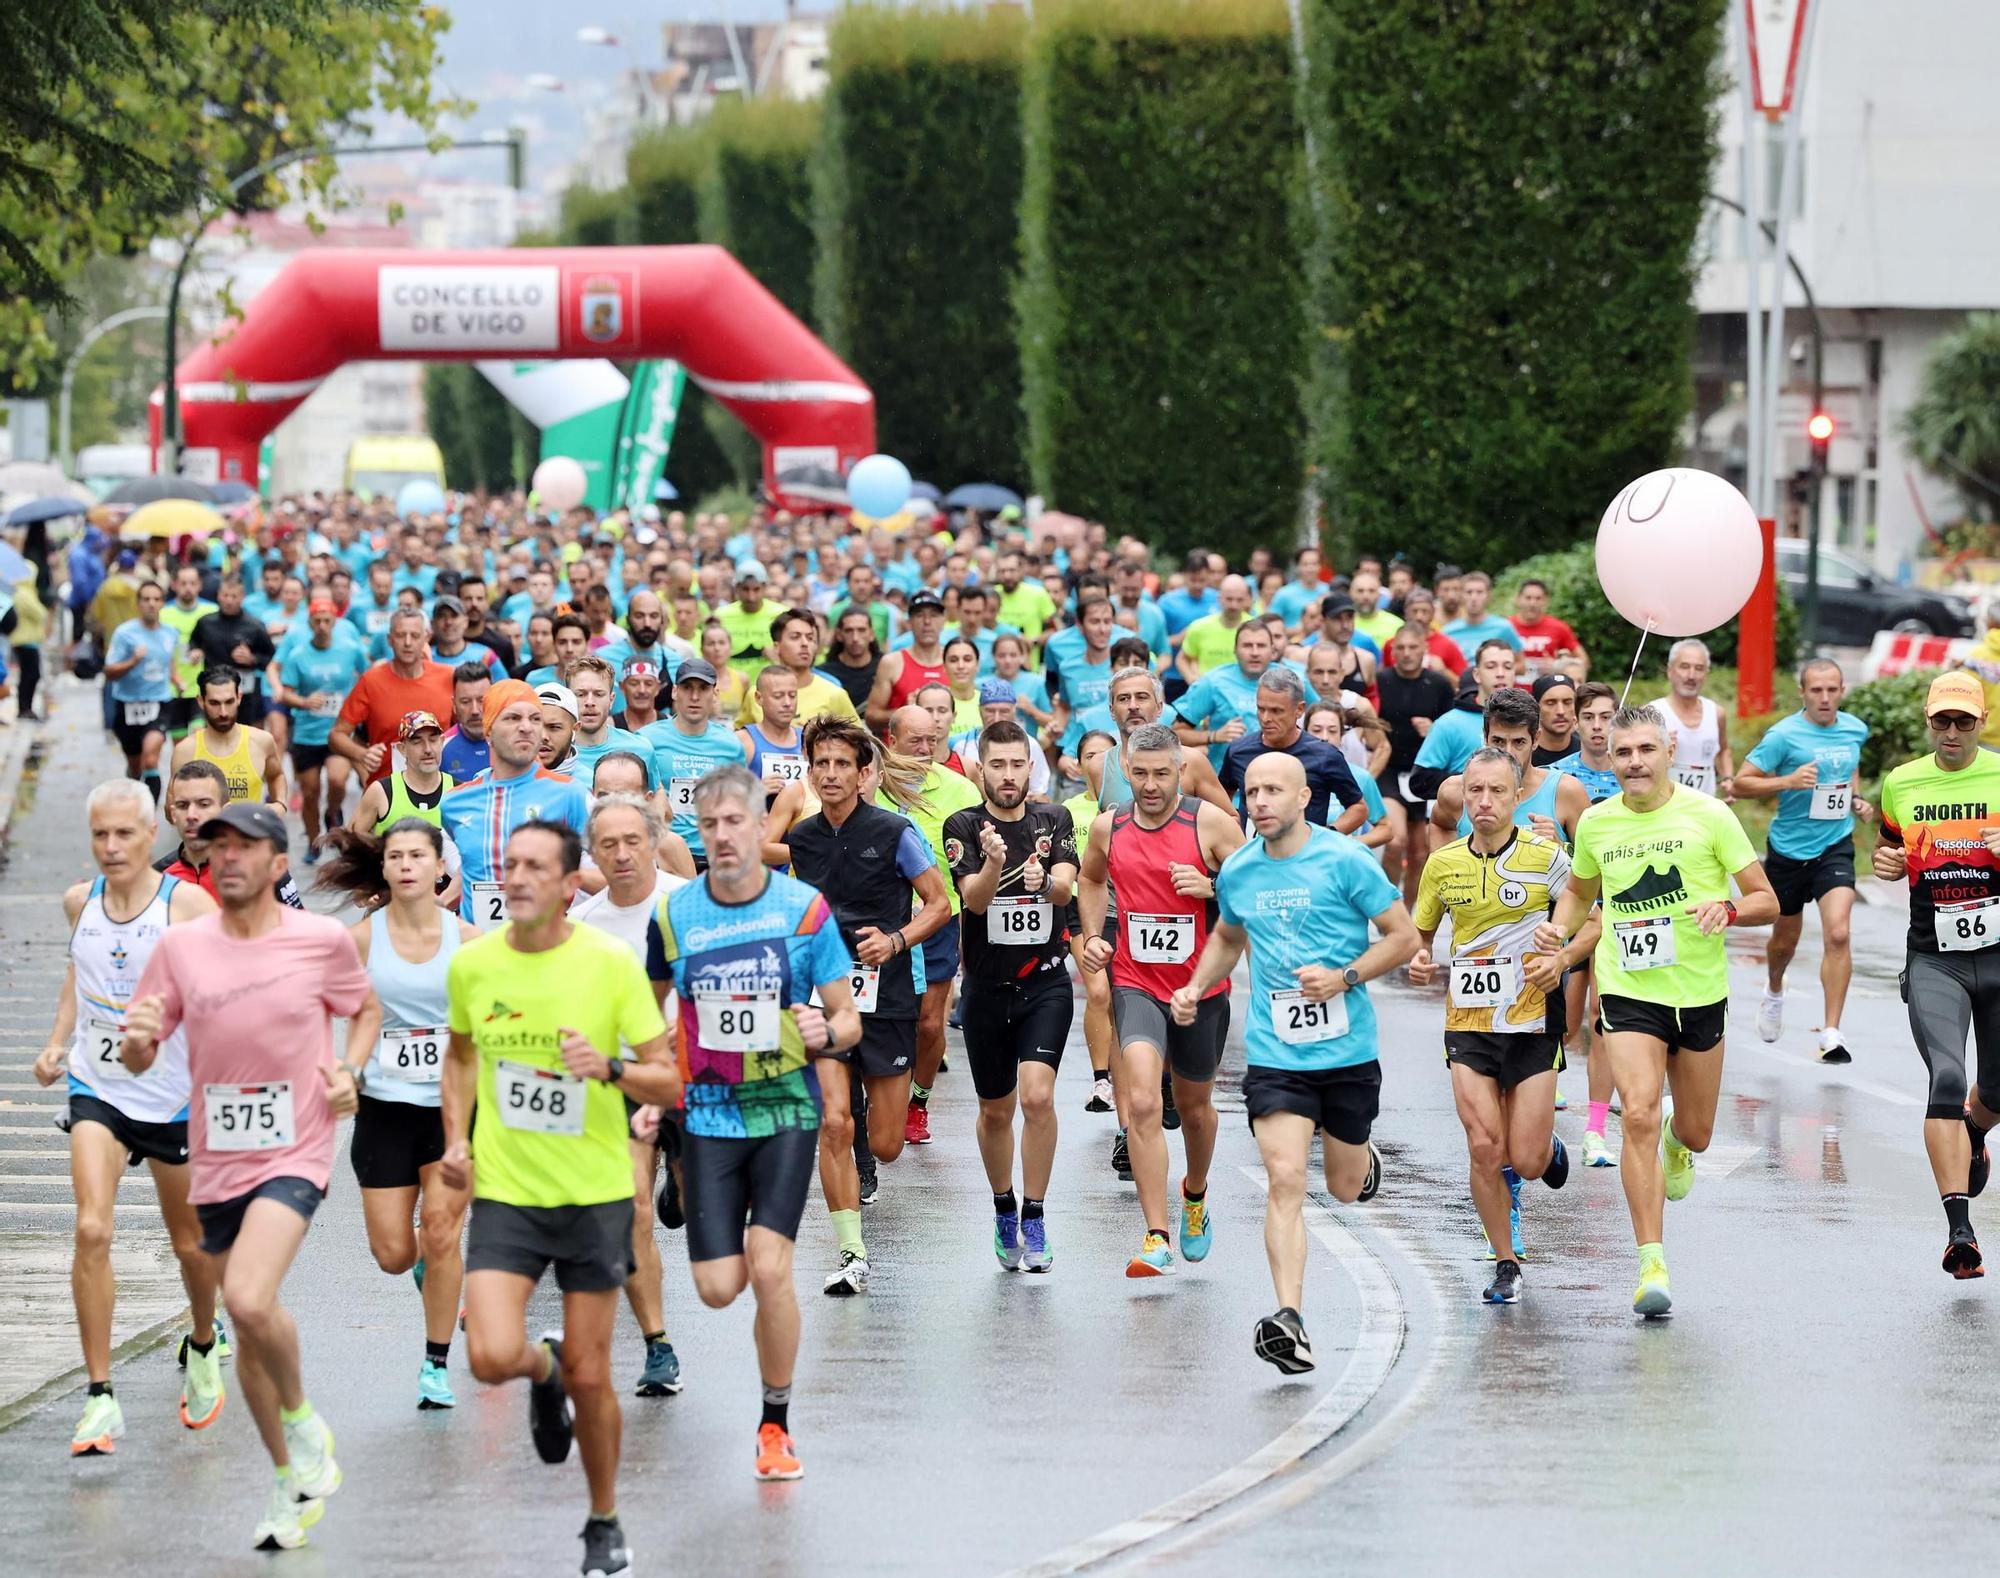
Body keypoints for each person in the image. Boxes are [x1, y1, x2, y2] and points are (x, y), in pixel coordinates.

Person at [121, 802, 377, 1551]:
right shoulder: (182, 947)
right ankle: (287, 1479)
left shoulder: (320, 941)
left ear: (276, 864)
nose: (227, 858)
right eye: (216, 846)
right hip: (216, 1152)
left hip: (295, 1145)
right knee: (252, 1320)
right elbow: (145, 1044)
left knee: (246, 1295)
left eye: (244, 847)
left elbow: (363, 1010)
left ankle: (301, 1423)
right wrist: (137, 1043)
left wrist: (350, 1071)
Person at [440, 820, 679, 1578]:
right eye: (510, 865)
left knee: (592, 1371)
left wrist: (605, 1066)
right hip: (508, 1193)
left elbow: (666, 1078)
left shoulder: (610, 964)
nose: (516, 878)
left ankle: (603, 1517)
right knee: (486, 1358)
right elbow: (460, 1057)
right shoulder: (473, 965)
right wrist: (457, 1140)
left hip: (595, 1193)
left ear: (572, 882)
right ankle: (537, 1373)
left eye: (536, 867)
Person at [645, 767, 861, 1482]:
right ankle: (680, 1169)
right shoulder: (675, 915)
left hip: (783, 1110)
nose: (724, 836)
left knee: (771, 1270)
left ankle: (775, 1424)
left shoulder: (804, 910)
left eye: (736, 821)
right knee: (715, 1288)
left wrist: (821, 1031)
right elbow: (651, 1017)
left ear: (756, 822)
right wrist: (651, 1086)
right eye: (709, 826)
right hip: (706, 1114)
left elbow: (848, 1020)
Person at [1172, 753, 1418, 1372]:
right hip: (1277, 1056)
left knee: (1340, 1186)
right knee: (1285, 1180)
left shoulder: (1346, 860)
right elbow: (1228, 937)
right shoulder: (1240, 871)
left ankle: (1361, 1160)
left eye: (1273, 790)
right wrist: (1196, 986)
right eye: (1252, 790)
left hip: (1346, 1052)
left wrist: (1345, 977)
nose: (1260, 801)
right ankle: (1290, 1318)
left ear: (1304, 797)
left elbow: (1404, 937)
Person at [1536, 707, 1778, 1316]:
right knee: (1637, 1112)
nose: (1635, 762)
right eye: (1623, 753)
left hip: (1698, 993)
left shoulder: (1710, 815)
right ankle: (1651, 1263)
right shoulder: (1597, 822)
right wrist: (1557, 934)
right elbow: (1579, 890)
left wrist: (1728, 909)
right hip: (1627, 988)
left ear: (1670, 750)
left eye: (1646, 749)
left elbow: (1766, 900)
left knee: (1693, 1130)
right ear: (1610, 759)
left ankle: (1678, 1139)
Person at [34, 780, 224, 1456]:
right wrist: (59, 1041)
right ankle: (98, 1397)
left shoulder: (188, 906)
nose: (111, 847)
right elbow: (77, 975)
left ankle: (204, 1339)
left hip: (171, 1094)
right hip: (98, 1085)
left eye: (123, 835)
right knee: (91, 1227)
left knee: (190, 1245)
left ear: (152, 836)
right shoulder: (78, 902)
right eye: (100, 835)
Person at [1410, 748, 1587, 1300]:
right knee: (1484, 1145)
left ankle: (1546, 1148)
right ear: (1464, 798)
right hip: (1469, 1021)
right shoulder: (1443, 864)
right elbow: (1419, 934)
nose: (1484, 802)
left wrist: (1560, 956)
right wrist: (1419, 957)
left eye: (1497, 792)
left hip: (1534, 1019)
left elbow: (1594, 918)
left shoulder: (1546, 858)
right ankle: (1505, 1262)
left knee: (1526, 1160)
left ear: (1516, 797)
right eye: (1475, 792)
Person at [317, 820, 479, 1410]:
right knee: (392, 1254)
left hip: (453, 1112)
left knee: (441, 1232)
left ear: (442, 870)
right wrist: (337, 1070)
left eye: (419, 855)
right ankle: (432, 1268)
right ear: (382, 870)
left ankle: (435, 1364)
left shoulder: (470, 940)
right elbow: (326, 1008)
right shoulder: (359, 940)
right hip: (384, 1107)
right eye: (396, 856)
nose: (407, 865)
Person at [786, 717, 952, 1292]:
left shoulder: (894, 830)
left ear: (863, 776)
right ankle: (852, 1252)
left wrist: (896, 940)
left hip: (887, 997)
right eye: (821, 764)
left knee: (883, 1141)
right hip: (823, 998)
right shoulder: (802, 839)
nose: (830, 774)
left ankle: (864, 1141)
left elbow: (938, 904)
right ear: (809, 772)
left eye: (841, 765)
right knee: (832, 1121)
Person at [1078, 725, 1245, 1276]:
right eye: (1140, 774)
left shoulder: (1211, 823)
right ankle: (1156, 1234)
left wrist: (1213, 887)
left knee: (1195, 1110)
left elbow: (1259, 886)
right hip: (1135, 982)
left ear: (1181, 773)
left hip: (1200, 989)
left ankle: (1194, 1195)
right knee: (1145, 1103)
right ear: (1126, 771)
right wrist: (1096, 934)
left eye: (1162, 774)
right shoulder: (1110, 826)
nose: (1150, 786)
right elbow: (1090, 879)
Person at [1872, 671, 2000, 1279]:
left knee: (1996, 1090)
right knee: (1947, 1075)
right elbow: (1889, 850)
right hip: (1935, 955)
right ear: (1928, 721)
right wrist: (1886, 863)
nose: (1952, 732)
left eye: (1964, 722)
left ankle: (1976, 1128)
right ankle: (1959, 1231)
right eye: (1941, 721)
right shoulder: (1902, 782)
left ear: (1981, 723)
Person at [943, 721, 1081, 1273]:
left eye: (1016, 765)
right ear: (980, 770)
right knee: (995, 1111)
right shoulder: (964, 825)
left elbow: (1067, 886)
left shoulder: (1055, 818)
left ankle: (1036, 1213)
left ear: (1031, 768)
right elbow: (974, 903)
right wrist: (997, 862)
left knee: (1038, 1097)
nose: (1007, 775)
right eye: (996, 765)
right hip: (984, 988)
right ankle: (1003, 1207)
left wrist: (1042, 883)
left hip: (1045, 983)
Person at [570, 794, 690, 1399]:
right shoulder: (586, 924)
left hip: (696, 1076)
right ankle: (658, 1345)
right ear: (592, 852)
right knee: (632, 1209)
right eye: (607, 844)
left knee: (689, 1203)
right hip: (627, 1082)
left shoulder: (685, 904)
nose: (621, 855)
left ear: (654, 842)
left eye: (632, 841)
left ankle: (685, 1183)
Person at [1734, 658, 1872, 1063]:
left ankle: (1831, 1031)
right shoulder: (1783, 736)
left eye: (1832, 690)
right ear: (1803, 693)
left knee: (1840, 933)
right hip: (1789, 851)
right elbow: (1742, 783)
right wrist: (1787, 782)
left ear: (1842, 690)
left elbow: (1850, 770)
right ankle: (1775, 988)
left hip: (1835, 845)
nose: (1825, 698)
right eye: (1817, 690)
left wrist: (1857, 799)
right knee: (1784, 941)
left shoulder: (1855, 729)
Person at [880, 704, 983, 1143]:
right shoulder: (872, 784)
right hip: (882, 920)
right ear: (892, 742)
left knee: (928, 1022)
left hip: (940, 917)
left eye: (932, 741)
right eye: (914, 741)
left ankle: (918, 1101)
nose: (925, 750)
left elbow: (976, 854)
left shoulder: (959, 789)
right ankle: (880, 1095)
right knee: (884, 1018)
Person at [440, 680, 590, 928]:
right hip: (477, 950)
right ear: (488, 731)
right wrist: (443, 901)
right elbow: (472, 863)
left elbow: (606, 869)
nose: (526, 728)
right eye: (512, 718)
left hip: (543, 949)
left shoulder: (570, 793)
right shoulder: (454, 802)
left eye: (534, 719)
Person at [1548, 680, 1622, 1165]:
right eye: (1589, 718)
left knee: (1605, 1018)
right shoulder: (1557, 780)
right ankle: (1541, 1097)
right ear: (1576, 723)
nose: (1598, 727)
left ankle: (1595, 1129)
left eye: (1607, 717)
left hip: (1623, 913)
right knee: (1568, 1021)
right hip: (1575, 908)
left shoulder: (1634, 773)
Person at [1432, 686, 1589, 847]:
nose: (1508, 753)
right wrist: (1445, 865)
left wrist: (1560, 848)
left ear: (1535, 739)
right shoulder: (1455, 791)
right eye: (1498, 741)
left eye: (1518, 742)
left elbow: (1593, 864)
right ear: (1485, 738)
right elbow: (1440, 824)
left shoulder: (1566, 792)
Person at [1219, 667, 1367, 832]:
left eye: (1276, 711)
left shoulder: (1325, 756)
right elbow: (1222, 797)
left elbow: (1358, 808)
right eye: (1261, 709)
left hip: (1306, 856)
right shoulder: (1238, 751)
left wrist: (1325, 837)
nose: (1266, 718)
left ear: (1299, 709)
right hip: (1252, 854)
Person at [277, 601, 372, 854]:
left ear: (335, 622)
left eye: (327, 621)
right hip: (308, 734)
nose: (322, 626)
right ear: (309, 623)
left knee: (337, 780)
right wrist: (304, 702)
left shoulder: (351, 649)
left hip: (339, 732)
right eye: (317, 621)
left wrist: (358, 706)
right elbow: (285, 693)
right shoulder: (298, 655)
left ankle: (332, 813)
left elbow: (369, 678)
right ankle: (312, 842)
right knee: (310, 794)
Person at [641, 656, 748, 872]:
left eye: (703, 688)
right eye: (687, 688)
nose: (695, 696)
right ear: (674, 692)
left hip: (714, 856)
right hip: (663, 854)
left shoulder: (731, 745)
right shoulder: (646, 740)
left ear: (715, 694)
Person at [331, 607, 455, 789]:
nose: (407, 642)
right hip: (387, 792)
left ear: (426, 638)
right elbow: (336, 735)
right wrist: (362, 754)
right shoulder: (371, 681)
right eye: (400, 635)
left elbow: (468, 728)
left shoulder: (448, 677)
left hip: (440, 790)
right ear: (389, 639)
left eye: (414, 635)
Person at [1172, 619, 1318, 773]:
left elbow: (1323, 717)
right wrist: (1213, 736)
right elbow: (1175, 735)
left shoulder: (1293, 679)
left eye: (1261, 646)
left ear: (1272, 650)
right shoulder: (1213, 682)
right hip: (1228, 785)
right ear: (1235, 650)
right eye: (1247, 646)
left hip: (1286, 777)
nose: (1254, 652)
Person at [104, 579, 178, 800]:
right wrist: (132, 662)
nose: (151, 604)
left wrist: (177, 679)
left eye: (156, 599)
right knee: (135, 765)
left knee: (151, 759)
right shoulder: (124, 634)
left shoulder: (170, 633)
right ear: (138, 604)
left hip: (159, 702)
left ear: (163, 603)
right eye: (146, 599)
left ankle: (149, 817)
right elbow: (109, 671)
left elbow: (169, 664)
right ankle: (134, 794)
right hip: (127, 703)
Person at [170, 665, 285, 807]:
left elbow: (276, 776)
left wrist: (280, 804)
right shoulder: (186, 750)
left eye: (229, 702)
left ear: (239, 698)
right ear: (201, 701)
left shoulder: (261, 741)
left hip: (248, 829)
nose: (223, 712)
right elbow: (172, 808)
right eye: (214, 703)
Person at [742, 605, 860, 727]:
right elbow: (740, 737)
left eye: (810, 638)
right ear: (777, 647)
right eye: (795, 637)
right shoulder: (756, 694)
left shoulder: (835, 694)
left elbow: (860, 741)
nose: (805, 643)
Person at [1645, 638, 1733, 796]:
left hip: (1705, 809)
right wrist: (1657, 746)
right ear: (1670, 671)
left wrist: (1728, 779)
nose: (1691, 675)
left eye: (1699, 668)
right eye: (1684, 667)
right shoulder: (1652, 712)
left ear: (1706, 674)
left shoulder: (1716, 713)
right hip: (1664, 807)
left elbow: (1723, 750)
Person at [186, 577, 277, 728]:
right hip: (213, 690)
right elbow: (193, 642)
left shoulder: (254, 626)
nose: (229, 601)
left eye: (234, 596)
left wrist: (252, 659)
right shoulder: (205, 622)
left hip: (244, 694)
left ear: (242, 598)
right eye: (225, 595)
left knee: (242, 736)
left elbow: (272, 660)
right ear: (218, 596)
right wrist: (195, 651)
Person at [568, 655, 655, 790]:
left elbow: (655, 800)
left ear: (611, 700)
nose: (590, 702)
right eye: (581, 694)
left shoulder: (642, 749)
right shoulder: (552, 754)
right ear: (568, 698)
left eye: (598, 694)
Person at [866, 588, 949, 727]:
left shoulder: (955, 661)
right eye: (919, 615)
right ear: (909, 622)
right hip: (901, 746)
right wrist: (905, 711)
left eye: (934, 615)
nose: (927, 622)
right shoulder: (892, 662)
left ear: (943, 621)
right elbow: (871, 715)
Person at [737, 664, 808, 800]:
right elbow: (722, 795)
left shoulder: (808, 740)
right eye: (778, 696)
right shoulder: (743, 741)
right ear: (759, 698)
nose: (787, 702)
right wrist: (755, 790)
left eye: (792, 695)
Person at [1509, 578, 1587, 680]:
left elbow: (1584, 661)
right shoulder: (1506, 627)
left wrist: (1558, 666)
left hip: (1547, 692)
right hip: (1511, 692)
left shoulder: (1558, 627)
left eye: (1538, 598)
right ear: (1518, 599)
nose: (1532, 603)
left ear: (1546, 601)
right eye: (1528, 598)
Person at [1440, 571, 1522, 658]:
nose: (1473, 598)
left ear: (1489, 596)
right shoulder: (1448, 632)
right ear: (1461, 596)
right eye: (1469, 592)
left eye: (1479, 592)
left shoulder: (1503, 627)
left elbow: (1520, 664)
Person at [439, 661, 494, 781]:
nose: (475, 711)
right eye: (465, 702)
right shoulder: (439, 748)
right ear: (454, 705)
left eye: (481, 700)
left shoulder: (511, 741)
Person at [823, 607, 881, 712]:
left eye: (861, 630)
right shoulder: (824, 674)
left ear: (871, 634)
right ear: (839, 635)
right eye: (849, 630)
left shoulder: (886, 667)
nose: (855, 638)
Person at [1529, 673, 1578, 765]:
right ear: (1536, 708)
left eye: (1567, 702)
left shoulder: (1586, 753)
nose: (1561, 711)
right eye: (1551, 703)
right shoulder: (1525, 755)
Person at [538, 682, 581, 773]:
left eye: (554, 727)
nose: (543, 736)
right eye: (536, 726)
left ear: (575, 730)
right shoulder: (505, 780)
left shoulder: (590, 784)